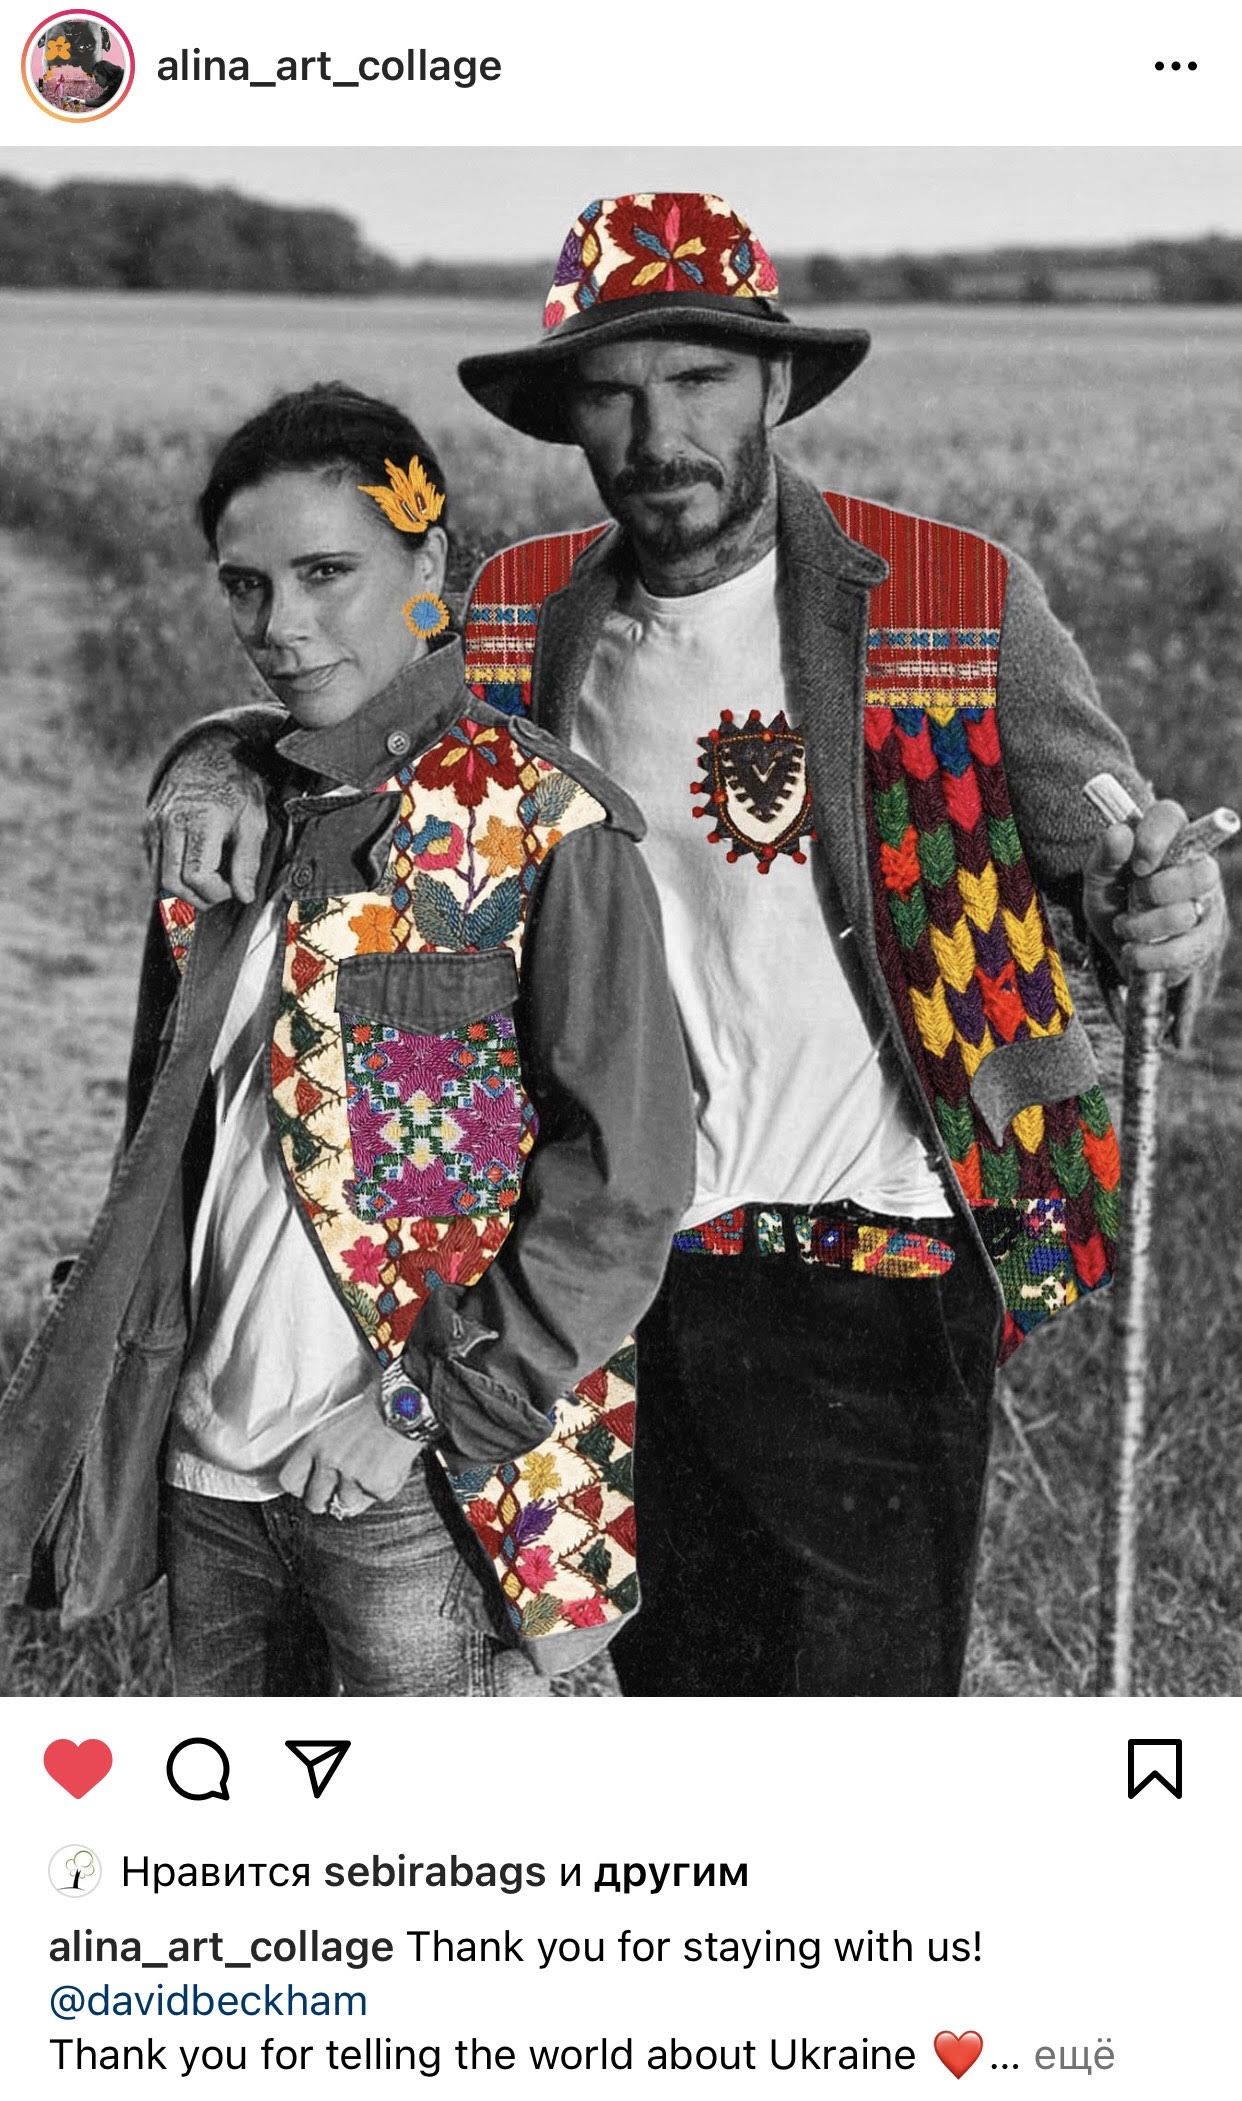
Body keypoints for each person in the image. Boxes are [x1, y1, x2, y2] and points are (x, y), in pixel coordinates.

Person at [137, 198, 1228, 1697]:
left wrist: (1166, 912)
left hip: (877, 1257)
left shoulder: (955, 599)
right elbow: (338, 700)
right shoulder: (517, 613)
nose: (659, 434)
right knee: (652, 1701)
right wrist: (210, 762)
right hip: (607, 1276)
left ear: (775, 384)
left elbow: (1116, 865)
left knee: (858, 1721)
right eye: (613, 392)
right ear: (570, 415)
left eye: (699, 380)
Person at [0, 381, 693, 1697]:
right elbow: (172, 1144)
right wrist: (210, 753)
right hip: (210, 1467)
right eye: (246, 585)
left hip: (424, 1484)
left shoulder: (545, 827)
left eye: (328, 573)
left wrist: (415, 1411)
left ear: (430, 567)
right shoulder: (226, 825)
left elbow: (629, 1184)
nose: (282, 625)